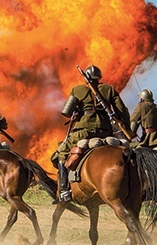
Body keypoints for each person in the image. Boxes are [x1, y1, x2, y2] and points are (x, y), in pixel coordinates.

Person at [54, 64, 130, 203]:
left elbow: (66, 112)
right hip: (106, 131)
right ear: (99, 78)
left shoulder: (77, 90)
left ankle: (64, 190)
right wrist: (127, 128)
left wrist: (79, 110)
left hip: (84, 131)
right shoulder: (109, 89)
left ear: (86, 78)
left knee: (61, 152)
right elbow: (122, 112)